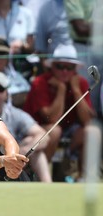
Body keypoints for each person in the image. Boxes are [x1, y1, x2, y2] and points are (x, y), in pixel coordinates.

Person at [23, 44, 96, 180]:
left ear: (75, 69)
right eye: (60, 67)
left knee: (92, 131)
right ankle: (41, 177)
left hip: (69, 134)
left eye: (69, 68)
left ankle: (84, 179)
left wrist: (75, 90)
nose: (65, 72)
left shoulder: (80, 83)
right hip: (40, 132)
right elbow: (51, 118)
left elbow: (87, 120)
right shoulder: (40, 82)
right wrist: (62, 90)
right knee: (54, 131)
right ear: (52, 67)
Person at [0, 71, 52, 182]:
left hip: (12, 160)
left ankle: (48, 186)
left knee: (33, 142)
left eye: (0, 89)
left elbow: (44, 136)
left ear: (6, 93)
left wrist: (24, 150)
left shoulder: (15, 114)